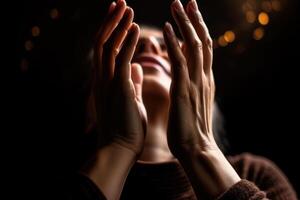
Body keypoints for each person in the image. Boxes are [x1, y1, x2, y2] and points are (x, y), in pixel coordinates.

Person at [67, 0, 298, 199]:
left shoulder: (252, 173)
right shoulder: (73, 178)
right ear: (91, 104)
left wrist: (200, 148)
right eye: (133, 47)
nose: (150, 46)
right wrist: (118, 146)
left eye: (167, 46)